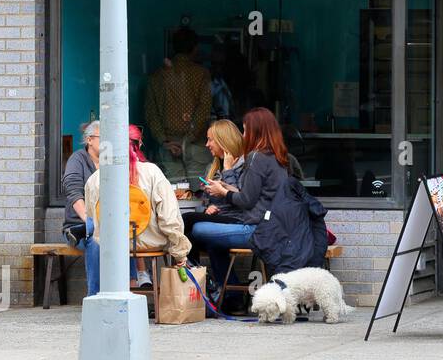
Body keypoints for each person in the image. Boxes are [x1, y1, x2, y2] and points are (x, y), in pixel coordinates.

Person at [192, 107, 290, 307]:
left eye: (245, 131)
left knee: (193, 227)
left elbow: (245, 200)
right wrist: (225, 188)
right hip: (271, 227)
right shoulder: (276, 157)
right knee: (207, 237)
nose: (243, 136)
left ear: (256, 132)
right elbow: (249, 193)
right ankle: (227, 295)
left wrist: (224, 189)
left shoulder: (256, 158)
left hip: (256, 229)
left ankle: (197, 282)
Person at [82, 135, 191, 297]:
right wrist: (180, 253)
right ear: (139, 144)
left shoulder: (96, 178)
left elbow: (92, 215)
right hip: (151, 243)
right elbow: (169, 218)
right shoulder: (153, 173)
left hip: (112, 245)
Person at [144, 26, 213, 181]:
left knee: (175, 195)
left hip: (169, 144)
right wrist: (187, 140)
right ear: (195, 48)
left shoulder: (157, 76)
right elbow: (204, 109)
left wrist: (164, 140)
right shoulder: (201, 74)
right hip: (196, 144)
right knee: (201, 193)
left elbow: (151, 113)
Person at [182, 119, 247, 260]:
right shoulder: (214, 167)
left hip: (238, 220)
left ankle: (191, 270)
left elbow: (243, 199)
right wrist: (208, 208)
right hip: (220, 218)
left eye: (210, 140)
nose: (206, 144)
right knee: (190, 235)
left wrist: (229, 170)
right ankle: (200, 275)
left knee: (187, 219)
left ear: (223, 141)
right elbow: (206, 202)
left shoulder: (246, 165)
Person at [62, 121, 100, 295]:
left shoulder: (112, 161)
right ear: (90, 140)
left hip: (108, 224)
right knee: (96, 242)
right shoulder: (77, 159)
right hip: (80, 225)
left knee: (125, 239)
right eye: (103, 138)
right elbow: (73, 191)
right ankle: (94, 296)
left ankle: (134, 283)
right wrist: (89, 220)